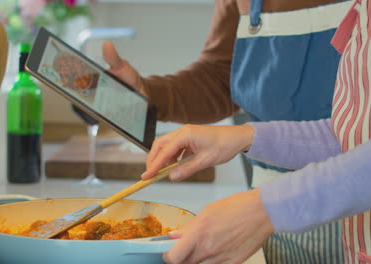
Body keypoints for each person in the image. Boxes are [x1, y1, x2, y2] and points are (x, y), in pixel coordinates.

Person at [103, 0, 351, 263]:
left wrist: (247, 141)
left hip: (353, 198)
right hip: (270, 201)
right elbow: (224, 77)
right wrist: (148, 93)